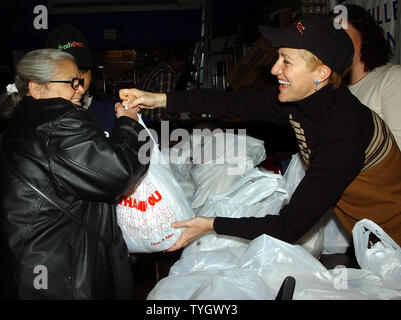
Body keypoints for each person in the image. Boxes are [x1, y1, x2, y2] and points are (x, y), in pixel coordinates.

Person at [119, 16, 401, 251]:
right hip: (366, 231)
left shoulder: (342, 133)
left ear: (322, 73)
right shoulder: (302, 101)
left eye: (286, 61)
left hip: (393, 238)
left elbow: (288, 227)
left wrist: (211, 224)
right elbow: (228, 102)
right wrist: (157, 99)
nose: (274, 68)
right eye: (278, 57)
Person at [0, 49, 148, 299]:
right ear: (37, 88)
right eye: (71, 82)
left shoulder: (26, 119)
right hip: (61, 278)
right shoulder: (59, 121)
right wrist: (129, 123)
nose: (80, 88)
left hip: (33, 268)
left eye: (80, 81)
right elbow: (119, 173)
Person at [332, 4, 401, 149]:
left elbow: (397, 147)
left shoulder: (392, 77)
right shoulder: (334, 88)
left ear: (363, 35)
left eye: (341, 32)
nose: (334, 41)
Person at [45, 24, 117, 137]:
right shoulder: (37, 118)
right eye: (67, 74)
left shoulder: (112, 112)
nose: (77, 81)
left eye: (82, 71)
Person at [136, 47, 189, 143]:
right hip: (158, 124)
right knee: (164, 153)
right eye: (182, 65)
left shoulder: (155, 70)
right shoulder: (167, 74)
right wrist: (181, 117)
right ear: (173, 59)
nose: (182, 69)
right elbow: (164, 107)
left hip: (145, 121)